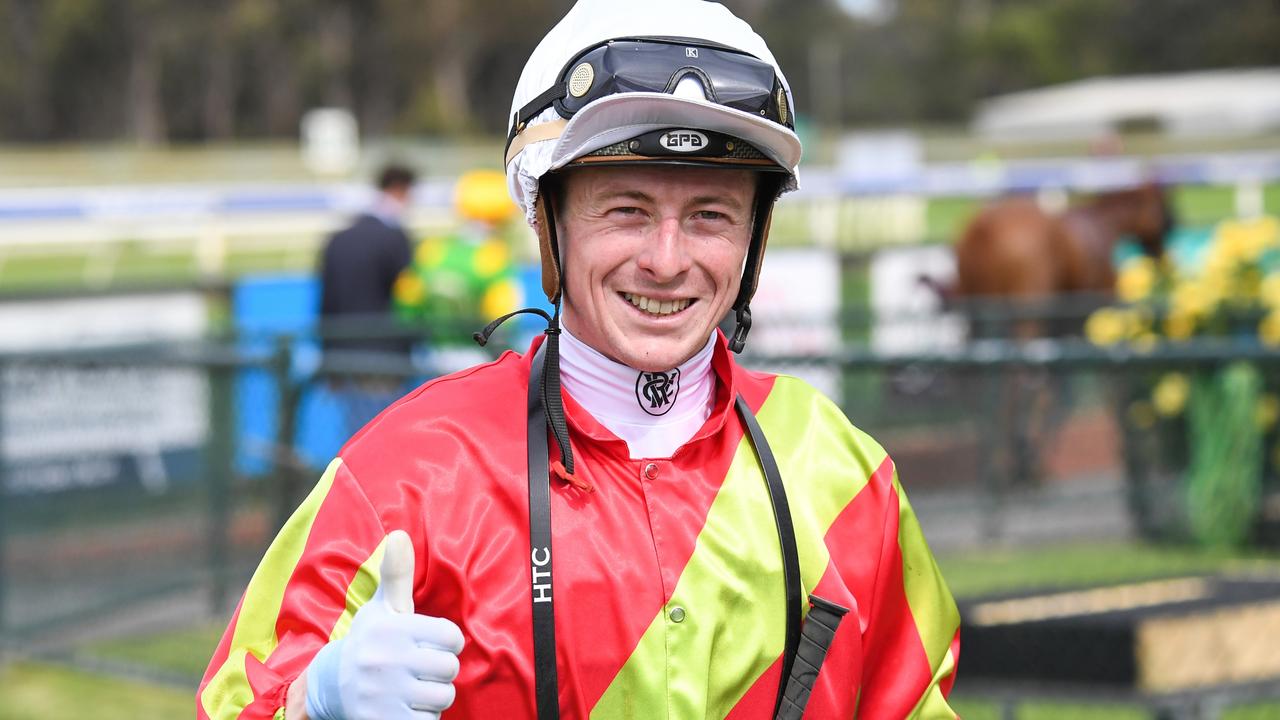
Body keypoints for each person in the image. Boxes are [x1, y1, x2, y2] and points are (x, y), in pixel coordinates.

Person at [198, 1, 960, 718]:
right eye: (626, 209)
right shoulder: (404, 475)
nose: (667, 261)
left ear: (754, 239)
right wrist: (313, 701)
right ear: (546, 219)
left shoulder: (845, 475)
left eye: (710, 216)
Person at [393, 169, 523, 372]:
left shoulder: (433, 250)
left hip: (431, 359)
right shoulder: (492, 257)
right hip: (478, 361)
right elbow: (503, 318)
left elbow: (406, 304)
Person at [319, 163, 416, 358]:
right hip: (385, 353)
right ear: (401, 189)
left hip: (340, 351)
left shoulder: (338, 238)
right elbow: (408, 297)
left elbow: (327, 300)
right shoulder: (395, 238)